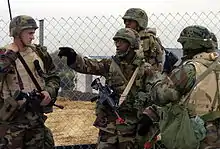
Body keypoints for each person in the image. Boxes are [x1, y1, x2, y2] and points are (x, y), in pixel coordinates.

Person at [58, 28, 157, 149]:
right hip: (109, 126)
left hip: (132, 126)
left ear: (131, 45)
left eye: (122, 41)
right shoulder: (110, 64)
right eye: (116, 41)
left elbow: (158, 95)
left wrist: (148, 116)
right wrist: (73, 57)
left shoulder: (145, 69)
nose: (117, 44)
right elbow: (89, 66)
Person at [149, 25, 220, 149]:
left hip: (193, 134)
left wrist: (163, 74)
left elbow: (159, 96)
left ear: (189, 45)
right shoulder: (217, 66)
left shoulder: (189, 69)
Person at [0, 15, 60, 149]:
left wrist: (48, 91)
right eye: (30, 33)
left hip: (35, 118)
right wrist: (10, 55)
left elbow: (53, 77)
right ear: (17, 33)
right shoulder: (3, 54)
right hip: (12, 122)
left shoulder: (39, 53)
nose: (33, 37)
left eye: (34, 33)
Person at [122, 8, 164, 72]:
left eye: (130, 21)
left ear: (140, 22)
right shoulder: (124, 39)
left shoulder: (149, 39)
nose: (126, 23)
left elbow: (157, 65)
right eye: (125, 21)